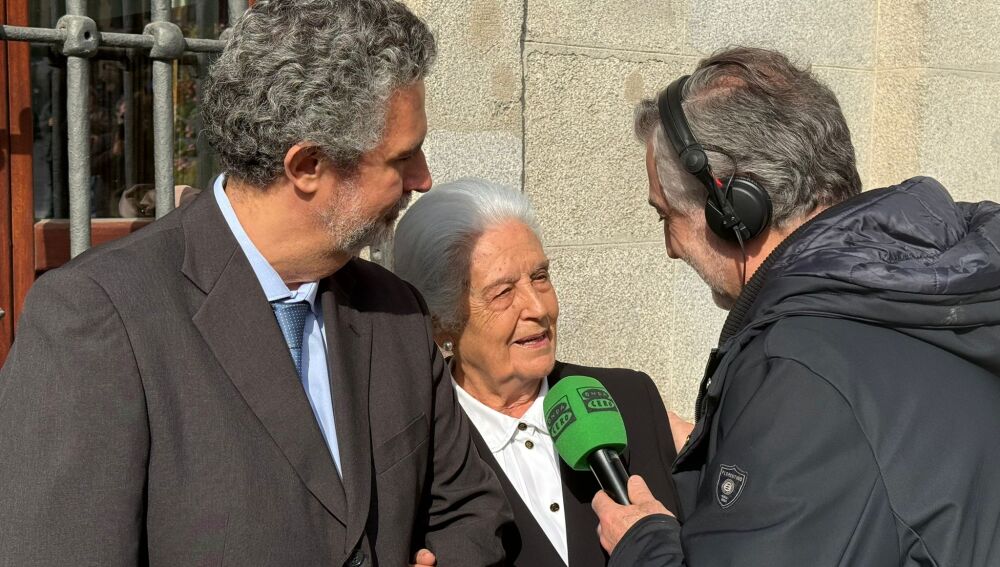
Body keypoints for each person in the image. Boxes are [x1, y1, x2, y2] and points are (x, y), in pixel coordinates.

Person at [0, 1, 511, 565]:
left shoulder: (394, 310)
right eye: (402, 158)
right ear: (308, 166)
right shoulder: (98, 315)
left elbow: (472, 510)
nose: (423, 178)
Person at [592, 47, 1000, 565]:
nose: (670, 248)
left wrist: (644, 544)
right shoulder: (945, 289)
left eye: (665, 216)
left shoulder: (799, 370)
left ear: (734, 208)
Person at [392, 178, 683, 566]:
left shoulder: (629, 398)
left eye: (540, 277)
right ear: (440, 319)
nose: (539, 308)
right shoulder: (416, 448)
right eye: (503, 292)